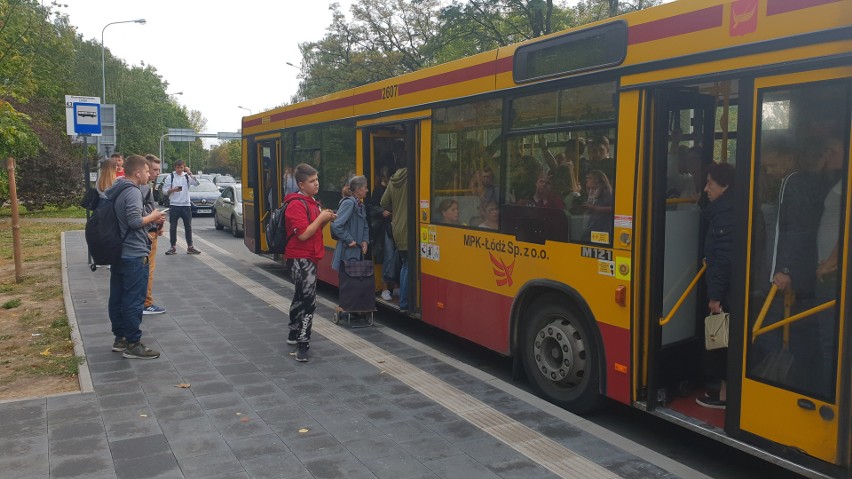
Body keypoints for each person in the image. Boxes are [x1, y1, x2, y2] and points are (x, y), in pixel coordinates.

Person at [107, 154, 166, 359]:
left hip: (118, 251)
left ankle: (120, 338)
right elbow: (133, 221)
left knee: (118, 297)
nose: (150, 174)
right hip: (133, 252)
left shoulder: (116, 188)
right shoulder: (132, 192)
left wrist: (150, 222)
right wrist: (153, 216)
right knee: (133, 299)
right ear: (138, 172)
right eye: (147, 171)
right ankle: (133, 343)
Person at [284, 163, 336, 362]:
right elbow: (304, 234)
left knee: (299, 295)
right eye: (312, 181)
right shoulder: (296, 204)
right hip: (299, 258)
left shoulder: (312, 202)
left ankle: (292, 332)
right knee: (309, 301)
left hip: (311, 257)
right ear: (301, 184)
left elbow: (313, 229)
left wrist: (325, 218)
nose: (316, 184)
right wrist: (321, 216)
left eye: (317, 180)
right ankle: (303, 343)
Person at [696, 163, 735, 409]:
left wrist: (715, 297)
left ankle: (724, 395)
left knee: (721, 342)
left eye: (711, 183)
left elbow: (723, 258)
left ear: (726, 186)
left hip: (726, 291)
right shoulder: (725, 208)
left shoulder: (725, 215)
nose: (705, 188)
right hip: (728, 287)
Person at [381, 153, 410, 311]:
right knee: (409, 265)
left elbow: (384, 202)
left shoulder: (393, 180)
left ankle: (404, 301)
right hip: (410, 229)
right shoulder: (414, 177)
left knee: (406, 263)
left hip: (397, 227)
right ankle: (405, 303)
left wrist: (396, 210)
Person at [331, 175, 370, 287]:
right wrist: (349, 240)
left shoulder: (360, 205)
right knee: (349, 283)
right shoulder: (349, 203)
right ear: (358, 189)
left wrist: (365, 240)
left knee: (354, 283)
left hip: (356, 250)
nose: (367, 190)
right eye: (365, 187)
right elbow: (336, 225)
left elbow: (365, 226)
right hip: (348, 250)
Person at [141, 154, 166, 315]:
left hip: (150, 230)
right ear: (146, 169)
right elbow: (138, 215)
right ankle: (146, 303)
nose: (157, 173)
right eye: (155, 169)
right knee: (148, 270)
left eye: (159, 170)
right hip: (147, 234)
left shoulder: (144, 187)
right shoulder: (143, 188)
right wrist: (155, 220)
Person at [163, 160, 201, 255]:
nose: (180, 169)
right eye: (178, 167)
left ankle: (190, 247)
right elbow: (164, 191)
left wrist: (190, 173)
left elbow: (197, 184)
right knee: (173, 227)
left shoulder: (187, 176)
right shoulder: (170, 177)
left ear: (184, 167)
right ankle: (173, 247)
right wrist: (172, 190)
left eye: (181, 168)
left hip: (186, 205)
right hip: (174, 205)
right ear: (175, 167)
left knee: (188, 227)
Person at [370, 166, 397, 301]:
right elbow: (372, 207)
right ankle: (385, 287)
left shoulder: (396, 186)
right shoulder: (379, 189)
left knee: (396, 256)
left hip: (396, 225)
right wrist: (382, 211)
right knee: (389, 255)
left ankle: (394, 284)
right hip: (385, 227)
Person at [579, 170, 613, 242]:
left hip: (603, 229)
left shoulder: (606, 192)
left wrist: (594, 208)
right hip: (592, 226)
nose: (587, 180)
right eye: (587, 178)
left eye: (590, 178)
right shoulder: (592, 191)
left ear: (597, 180)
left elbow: (613, 209)